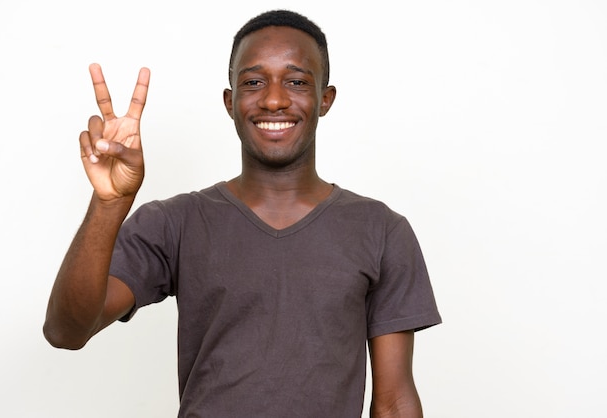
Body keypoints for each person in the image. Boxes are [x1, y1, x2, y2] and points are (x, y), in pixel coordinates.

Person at [43, 9, 441, 418]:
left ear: (325, 99)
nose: (273, 99)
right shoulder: (175, 223)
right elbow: (66, 331)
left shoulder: (381, 231)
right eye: (253, 82)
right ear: (230, 102)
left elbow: (393, 402)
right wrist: (108, 205)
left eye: (297, 82)